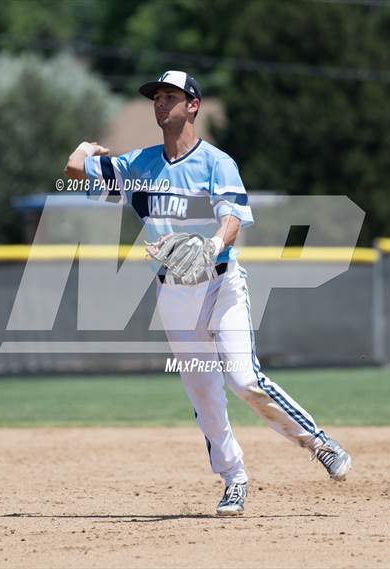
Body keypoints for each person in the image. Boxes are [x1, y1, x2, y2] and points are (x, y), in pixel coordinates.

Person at [65, 70, 351, 516]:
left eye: (170, 96)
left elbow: (233, 219)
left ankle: (319, 443)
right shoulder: (138, 165)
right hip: (174, 297)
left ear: (193, 105)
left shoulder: (217, 162)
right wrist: (88, 147)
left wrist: (211, 246)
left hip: (221, 284)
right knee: (204, 394)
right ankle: (234, 478)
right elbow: (73, 170)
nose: (160, 103)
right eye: (156, 97)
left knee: (244, 380)